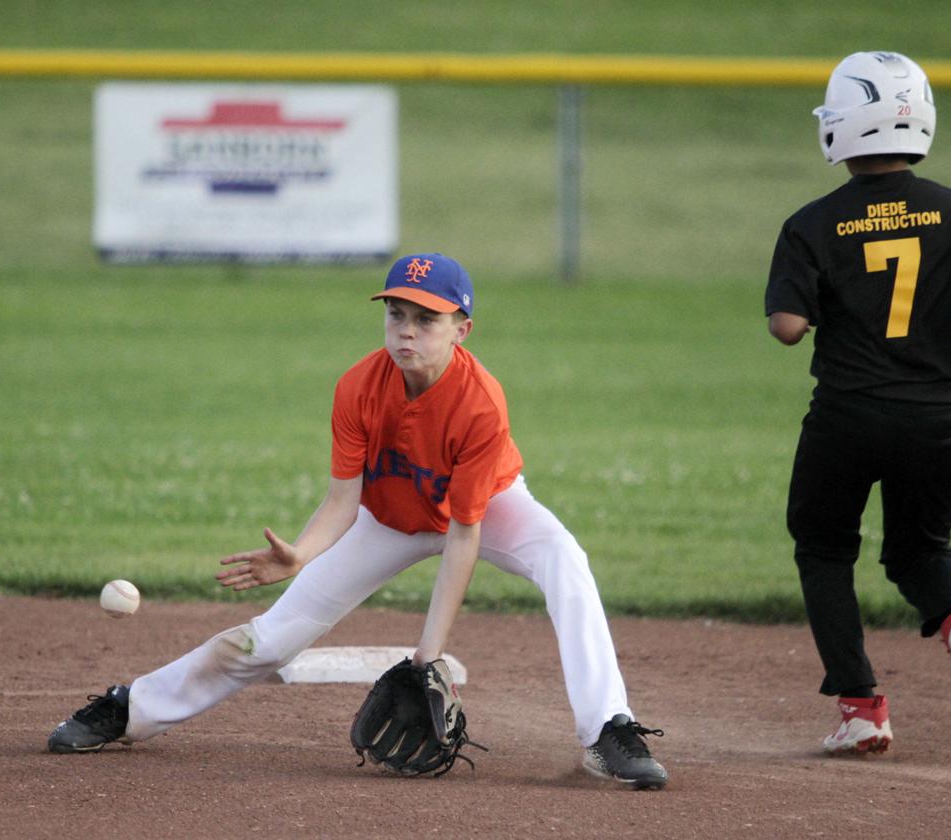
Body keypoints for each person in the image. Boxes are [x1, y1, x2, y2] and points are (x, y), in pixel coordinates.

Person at [47, 253, 668, 789]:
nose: (407, 331)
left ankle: (607, 730)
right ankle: (131, 710)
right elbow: (343, 500)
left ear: (463, 329)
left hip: (487, 509)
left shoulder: (481, 404)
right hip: (387, 519)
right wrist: (302, 554)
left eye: (427, 319)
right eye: (397, 314)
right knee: (266, 641)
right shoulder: (358, 387)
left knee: (564, 560)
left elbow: (463, 533)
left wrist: (429, 657)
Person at [763, 52, 951, 755]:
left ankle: (863, 707)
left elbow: (787, 330)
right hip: (935, 415)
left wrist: (802, 306)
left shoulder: (812, 223)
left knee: (823, 548)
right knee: (921, 547)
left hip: (846, 415)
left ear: (842, 126)